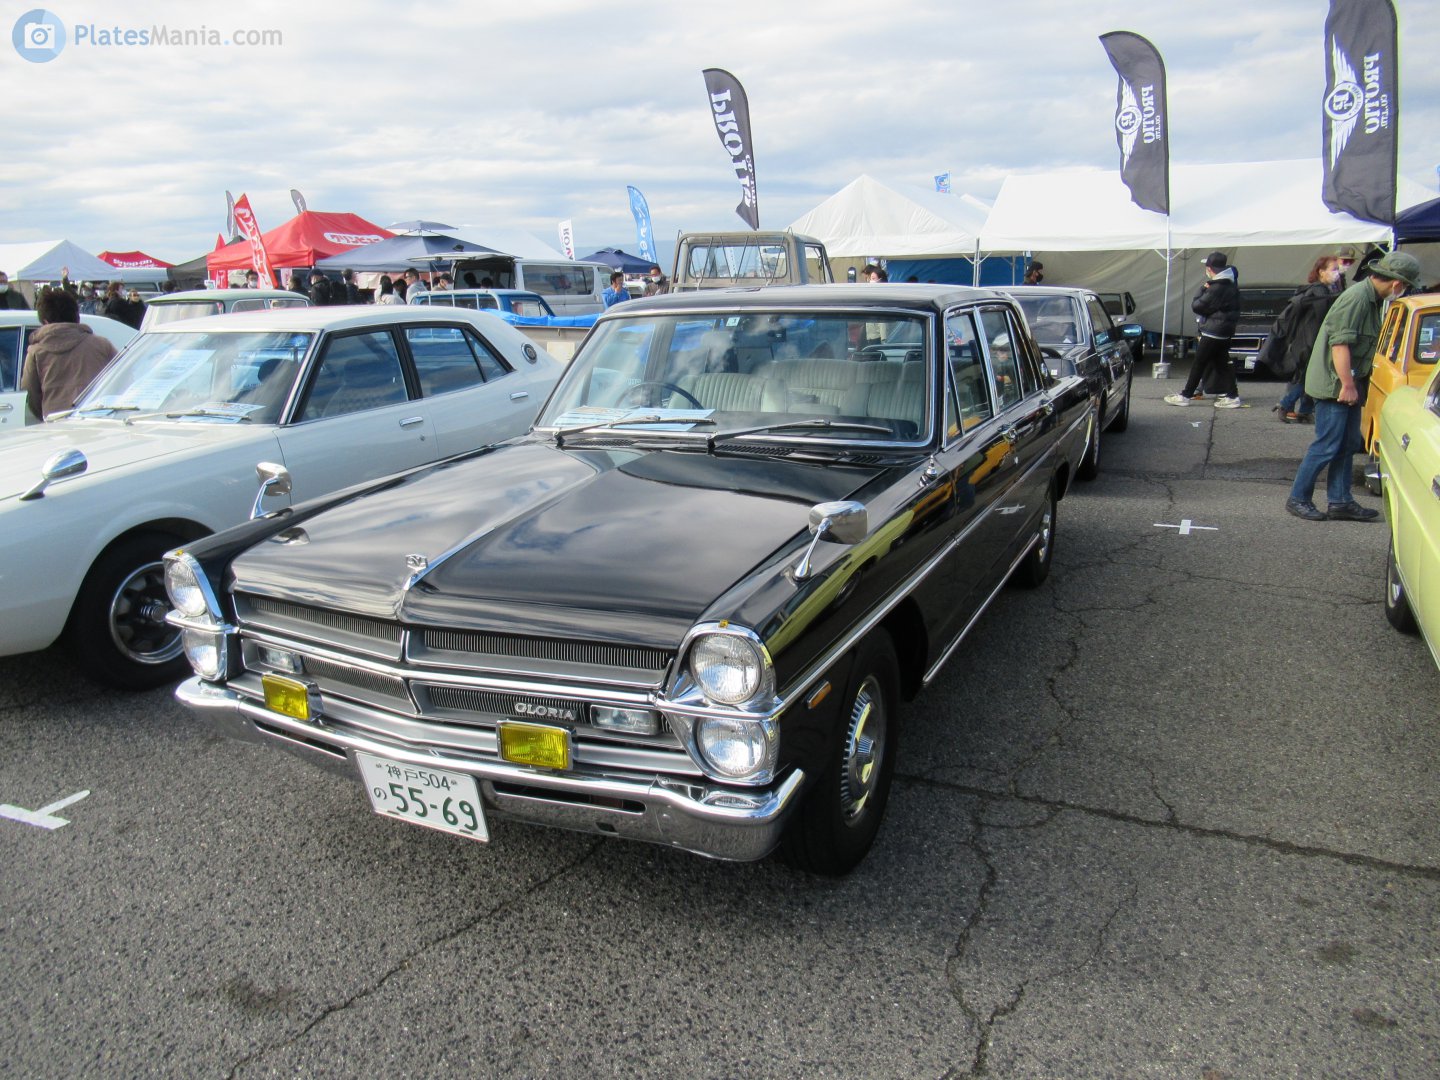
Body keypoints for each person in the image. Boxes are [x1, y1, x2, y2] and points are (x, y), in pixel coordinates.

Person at [1285, 251, 1423, 523]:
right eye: (1404, 285)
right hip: (1335, 383)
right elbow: (1340, 344)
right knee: (1327, 444)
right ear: (1397, 284)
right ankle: (1298, 498)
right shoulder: (1358, 298)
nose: (1403, 289)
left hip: (1345, 381)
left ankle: (1340, 501)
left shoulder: (1368, 298)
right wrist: (1347, 384)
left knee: (1347, 443)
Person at [1259, 256, 1342, 423]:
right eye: (1334, 269)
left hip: (1307, 342)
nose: (1337, 274)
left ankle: (1304, 410)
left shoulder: (1317, 290)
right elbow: (1322, 318)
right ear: (1321, 272)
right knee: (1307, 378)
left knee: (1307, 377)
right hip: (1311, 343)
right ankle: (1287, 405)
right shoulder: (1319, 292)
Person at [20, 288, 117, 420]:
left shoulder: (36, 353)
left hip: (56, 424)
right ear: (76, 315)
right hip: (97, 422)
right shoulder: (102, 345)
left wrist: (48, 414)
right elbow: (122, 382)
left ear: (45, 321)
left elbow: (31, 395)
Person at [1164, 251, 1242, 409]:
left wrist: (1203, 288)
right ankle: (1232, 396)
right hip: (1224, 331)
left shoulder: (1216, 287)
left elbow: (1197, 306)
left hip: (1213, 331)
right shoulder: (1230, 284)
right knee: (1222, 364)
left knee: (1199, 362)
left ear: (1211, 269)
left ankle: (1186, 395)